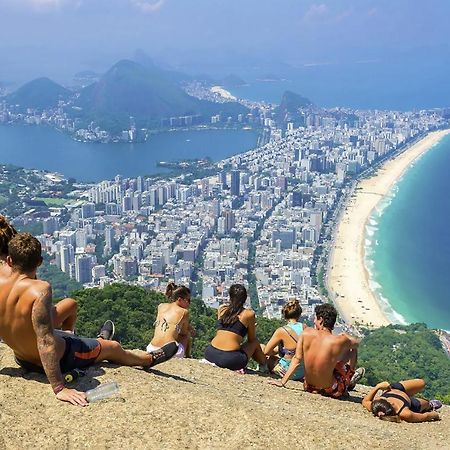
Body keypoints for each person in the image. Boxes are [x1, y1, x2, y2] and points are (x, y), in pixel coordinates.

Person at [0, 233, 178, 407]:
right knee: (113, 348)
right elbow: (45, 341)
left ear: (9, 260)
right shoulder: (39, 290)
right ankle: (147, 359)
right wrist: (59, 388)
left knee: (68, 325)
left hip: (22, 359)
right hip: (63, 358)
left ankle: (96, 340)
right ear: (39, 262)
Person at [0, 215, 77, 333]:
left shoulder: (7, 266)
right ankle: (69, 336)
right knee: (70, 304)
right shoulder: (16, 265)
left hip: (6, 324)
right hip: (26, 325)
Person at [269, 303, 365, 399]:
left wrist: (282, 382)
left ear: (321, 320)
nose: (314, 321)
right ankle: (347, 383)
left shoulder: (306, 333)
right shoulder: (339, 340)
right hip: (330, 389)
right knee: (352, 350)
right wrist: (345, 335)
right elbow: (356, 343)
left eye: (315, 319)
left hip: (309, 386)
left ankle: (344, 381)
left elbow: (296, 359)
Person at [204, 283, 267, 371]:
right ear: (245, 298)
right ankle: (264, 366)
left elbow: (223, 331)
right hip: (230, 359)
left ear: (230, 296)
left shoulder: (222, 309)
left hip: (210, 353)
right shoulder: (248, 314)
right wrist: (251, 327)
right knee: (255, 342)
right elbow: (251, 339)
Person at [147, 282, 193, 358]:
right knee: (186, 335)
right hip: (170, 352)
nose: (189, 303)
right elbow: (183, 333)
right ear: (179, 299)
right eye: (188, 300)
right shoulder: (184, 312)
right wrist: (189, 328)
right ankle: (187, 356)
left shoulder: (161, 306)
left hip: (151, 349)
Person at [262, 298, 305, 381]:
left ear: (284, 315)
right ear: (299, 315)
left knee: (265, 352)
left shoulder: (282, 331)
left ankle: (263, 370)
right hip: (302, 372)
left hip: (287, 372)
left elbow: (266, 351)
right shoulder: (305, 328)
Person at [362, 379, 442, 423]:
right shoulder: (405, 413)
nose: (385, 398)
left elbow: (365, 401)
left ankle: (410, 391)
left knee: (422, 382)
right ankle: (431, 405)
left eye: (383, 398)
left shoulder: (376, 406)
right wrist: (434, 415)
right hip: (409, 402)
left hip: (395, 388)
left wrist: (378, 387)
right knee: (426, 403)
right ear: (392, 404)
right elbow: (424, 417)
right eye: (386, 399)